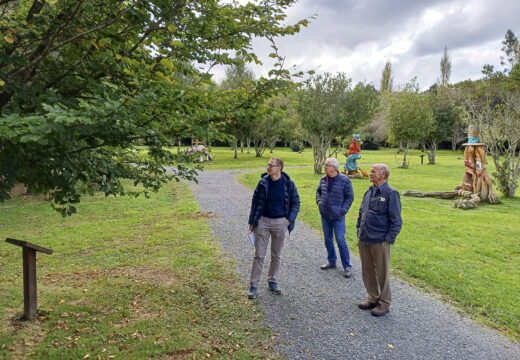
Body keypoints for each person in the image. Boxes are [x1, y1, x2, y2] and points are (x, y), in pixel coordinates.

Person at [247, 157, 300, 299]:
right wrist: (252, 221)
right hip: (262, 222)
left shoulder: (288, 183)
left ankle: (272, 281)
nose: (268, 167)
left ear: (279, 168)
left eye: (271, 165)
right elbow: (255, 201)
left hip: (280, 223)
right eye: (268, 165)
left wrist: (289, 220)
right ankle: (253, 285)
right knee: (259, 255)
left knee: (276, 255)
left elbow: (296, 202)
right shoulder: (263, 182)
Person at [356, 164, 402, 317]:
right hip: (364, 238)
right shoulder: (369, 191)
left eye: (373, 172)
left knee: (382, 273)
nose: (370, 174)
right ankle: (373, 298)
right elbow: (361, 212)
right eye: (371, 171)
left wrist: (388, 240)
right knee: (367, 271)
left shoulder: (391, 193)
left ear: (383, 175)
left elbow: (396, 221)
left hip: (380, 240)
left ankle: (384, 303)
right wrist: (359, 230)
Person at [316, 157, 354, 278]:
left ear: (333, 167)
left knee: (340, 240)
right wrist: (319, 202)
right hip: (325, 215)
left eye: (326, 165)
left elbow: (350, 197)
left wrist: (342, 210)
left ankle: (347, 266)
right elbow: (318, 192)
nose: (324, 167)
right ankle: (332, 262)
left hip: (338, 217)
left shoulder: (345, 180)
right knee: (328, 239)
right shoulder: (323, 179)